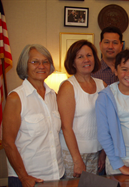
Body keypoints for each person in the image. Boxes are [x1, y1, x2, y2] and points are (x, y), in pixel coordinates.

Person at [2, 44, 65, 187]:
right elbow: (7, 142)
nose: (41, 66)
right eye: (35, 62)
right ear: (25, 65)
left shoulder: (53, 96)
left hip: (56, 174)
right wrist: (24, 177)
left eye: (45, 62)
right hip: (28, 178)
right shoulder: (16, 98)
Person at [57, 40, 106, 178]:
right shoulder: (68, 86)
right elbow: (66, 127)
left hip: (96, 153)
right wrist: (77, 159)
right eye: (80, 57)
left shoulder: (102, 85)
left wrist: (103, 152)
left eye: (89, 55)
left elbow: (106, 123)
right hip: (73, 154)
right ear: (73, 62)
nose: (86, 60)